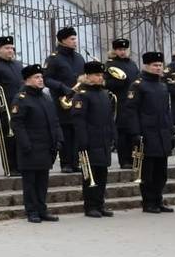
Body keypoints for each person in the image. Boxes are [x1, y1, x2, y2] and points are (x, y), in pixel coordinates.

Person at [123, 52, 175, 213]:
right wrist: (135, 133)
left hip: (162, 133)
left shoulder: (162, 85)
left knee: (161, 172)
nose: (159, 68)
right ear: (146, 66)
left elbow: (167, 110)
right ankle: (148, 202)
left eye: (160, 65)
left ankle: (158, 201)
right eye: (155, 65)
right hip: (147, 134)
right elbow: (131, 111)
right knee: (148, 172)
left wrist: (171, 130)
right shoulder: (138, 85)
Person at [12, 65, 62, 223]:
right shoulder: (21, 98)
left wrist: (58, 138)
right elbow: (17, 124)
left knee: (42, 182)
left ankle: (42, 209)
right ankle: (32, 211)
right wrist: (26, 144)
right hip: (30, 148)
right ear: (27, 80)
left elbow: (54, 120)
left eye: (41, 77)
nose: (40, 80)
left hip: (46, 146)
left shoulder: (45, 97)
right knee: (30, 183)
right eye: (36, 77)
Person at [70, 61, 116, 218]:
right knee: (90, 175)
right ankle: (90, 206)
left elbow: (110, 118)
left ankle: (100, 204)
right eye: (97, 75)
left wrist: (112, 135)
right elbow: (78, 120)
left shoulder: (104, 94)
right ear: (88, 76)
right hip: (89, 141)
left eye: (101, 75)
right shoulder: (82, 95)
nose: (100, 78)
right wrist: (83, 141)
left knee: (102, 174)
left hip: (103, 140)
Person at [43, 27, 85, 174]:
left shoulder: (79, 57)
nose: (75, 41)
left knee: (76, 130)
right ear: (62, 40)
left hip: (78, 99)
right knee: (66, 131)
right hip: (62, 100)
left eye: (75, 38)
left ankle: (75, 162)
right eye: (72, 39)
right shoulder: (54, 58)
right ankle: (66, 163)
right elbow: (46, 79)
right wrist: (62, 87)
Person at [0, 35, 22, 176]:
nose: (10, 50)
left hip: (20, 108)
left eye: (12, 48)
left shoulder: (18, 65)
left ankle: (21, 165)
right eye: (7, 48)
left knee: (20, 139)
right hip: (3, 109)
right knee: (8, 140)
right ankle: (10, 167)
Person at [105, 38, 140, 169]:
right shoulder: (110, 64)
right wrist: (118, 83)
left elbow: (137, 79)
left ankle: (133, 158)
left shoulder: (132, 64)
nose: (123, 52)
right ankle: (124, 160)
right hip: (119, 102)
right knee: (122, 132)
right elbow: (106, 83)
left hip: (133, 102)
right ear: (114, 50)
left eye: (124, 49)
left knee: (133, 130)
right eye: (120, 50)